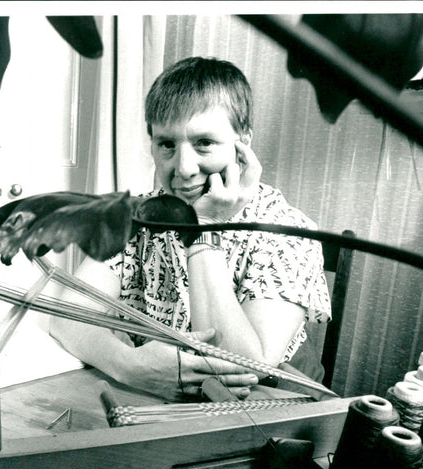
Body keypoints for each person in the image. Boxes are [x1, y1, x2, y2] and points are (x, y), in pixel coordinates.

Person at [50, 56, 331, 401]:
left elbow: (247, 366)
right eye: (166, 144)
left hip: (270, 402)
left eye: (204, 143)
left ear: (243, 143)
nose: (182, 168)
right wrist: (131, 366)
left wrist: (205, 228)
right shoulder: (137, 216)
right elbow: (66, 316)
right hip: (162, 393)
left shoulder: (289, 231)